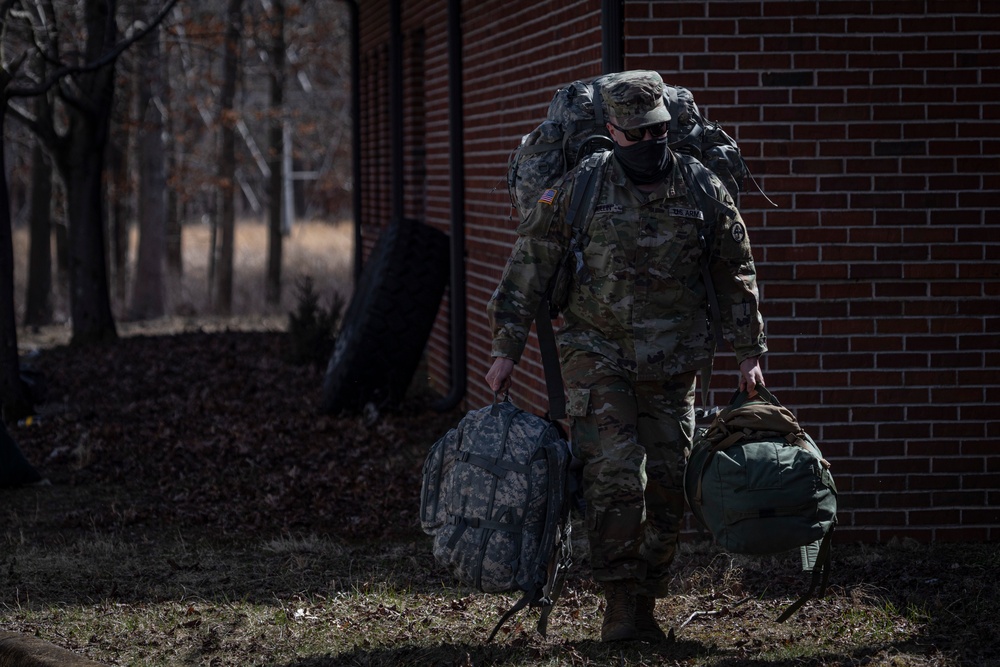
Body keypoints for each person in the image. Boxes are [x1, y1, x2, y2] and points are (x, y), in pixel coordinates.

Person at [485, 70, 767, 643]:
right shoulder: (582, 187)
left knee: (666, 487)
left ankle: (646, 605)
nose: (648, 143)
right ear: (611, 130)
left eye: (657, 131)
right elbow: (530, 263)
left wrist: (748, 351)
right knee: (616, 479)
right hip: (597, 352)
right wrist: (505, 348)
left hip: (674, 362)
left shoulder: (701, 187)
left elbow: (734, 271)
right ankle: (617, 603)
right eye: (634, 134)